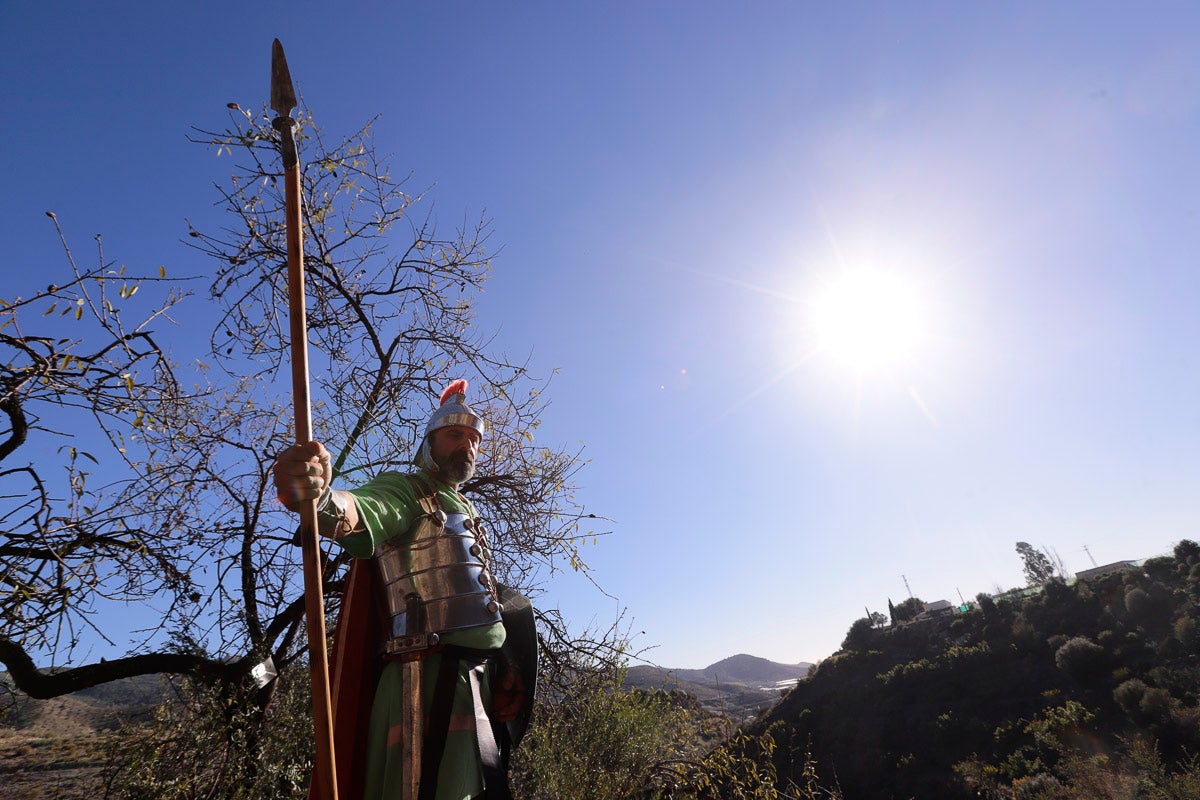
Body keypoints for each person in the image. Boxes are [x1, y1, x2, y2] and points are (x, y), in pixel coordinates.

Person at [273, 379, 533, 800]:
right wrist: (317, 496)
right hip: (423, 682)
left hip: (476, 686)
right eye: (454, 434)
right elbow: (361, 510)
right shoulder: (408, 490)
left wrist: (508, 665)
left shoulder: (463, 507)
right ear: (428, 442)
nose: (466, 445)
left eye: (474, 439)